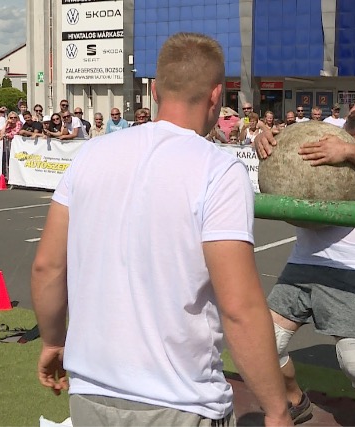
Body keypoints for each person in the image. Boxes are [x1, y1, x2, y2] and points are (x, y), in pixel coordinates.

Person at [30, 32, 291, 427]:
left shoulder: (90, 155)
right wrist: (276, 409)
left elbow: (47, 267)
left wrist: (52, 340)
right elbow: (240, 308)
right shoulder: (218, 170)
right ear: (217, 96)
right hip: (180, 399)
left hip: (92, 396)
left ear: (154, 91)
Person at [255, 90, 355, 426]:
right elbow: (284, 139)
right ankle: (296, 399)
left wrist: (348, 150)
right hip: (303, 262)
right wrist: (265, 140)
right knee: (265, 344)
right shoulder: (326, 130)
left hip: (353, 267)